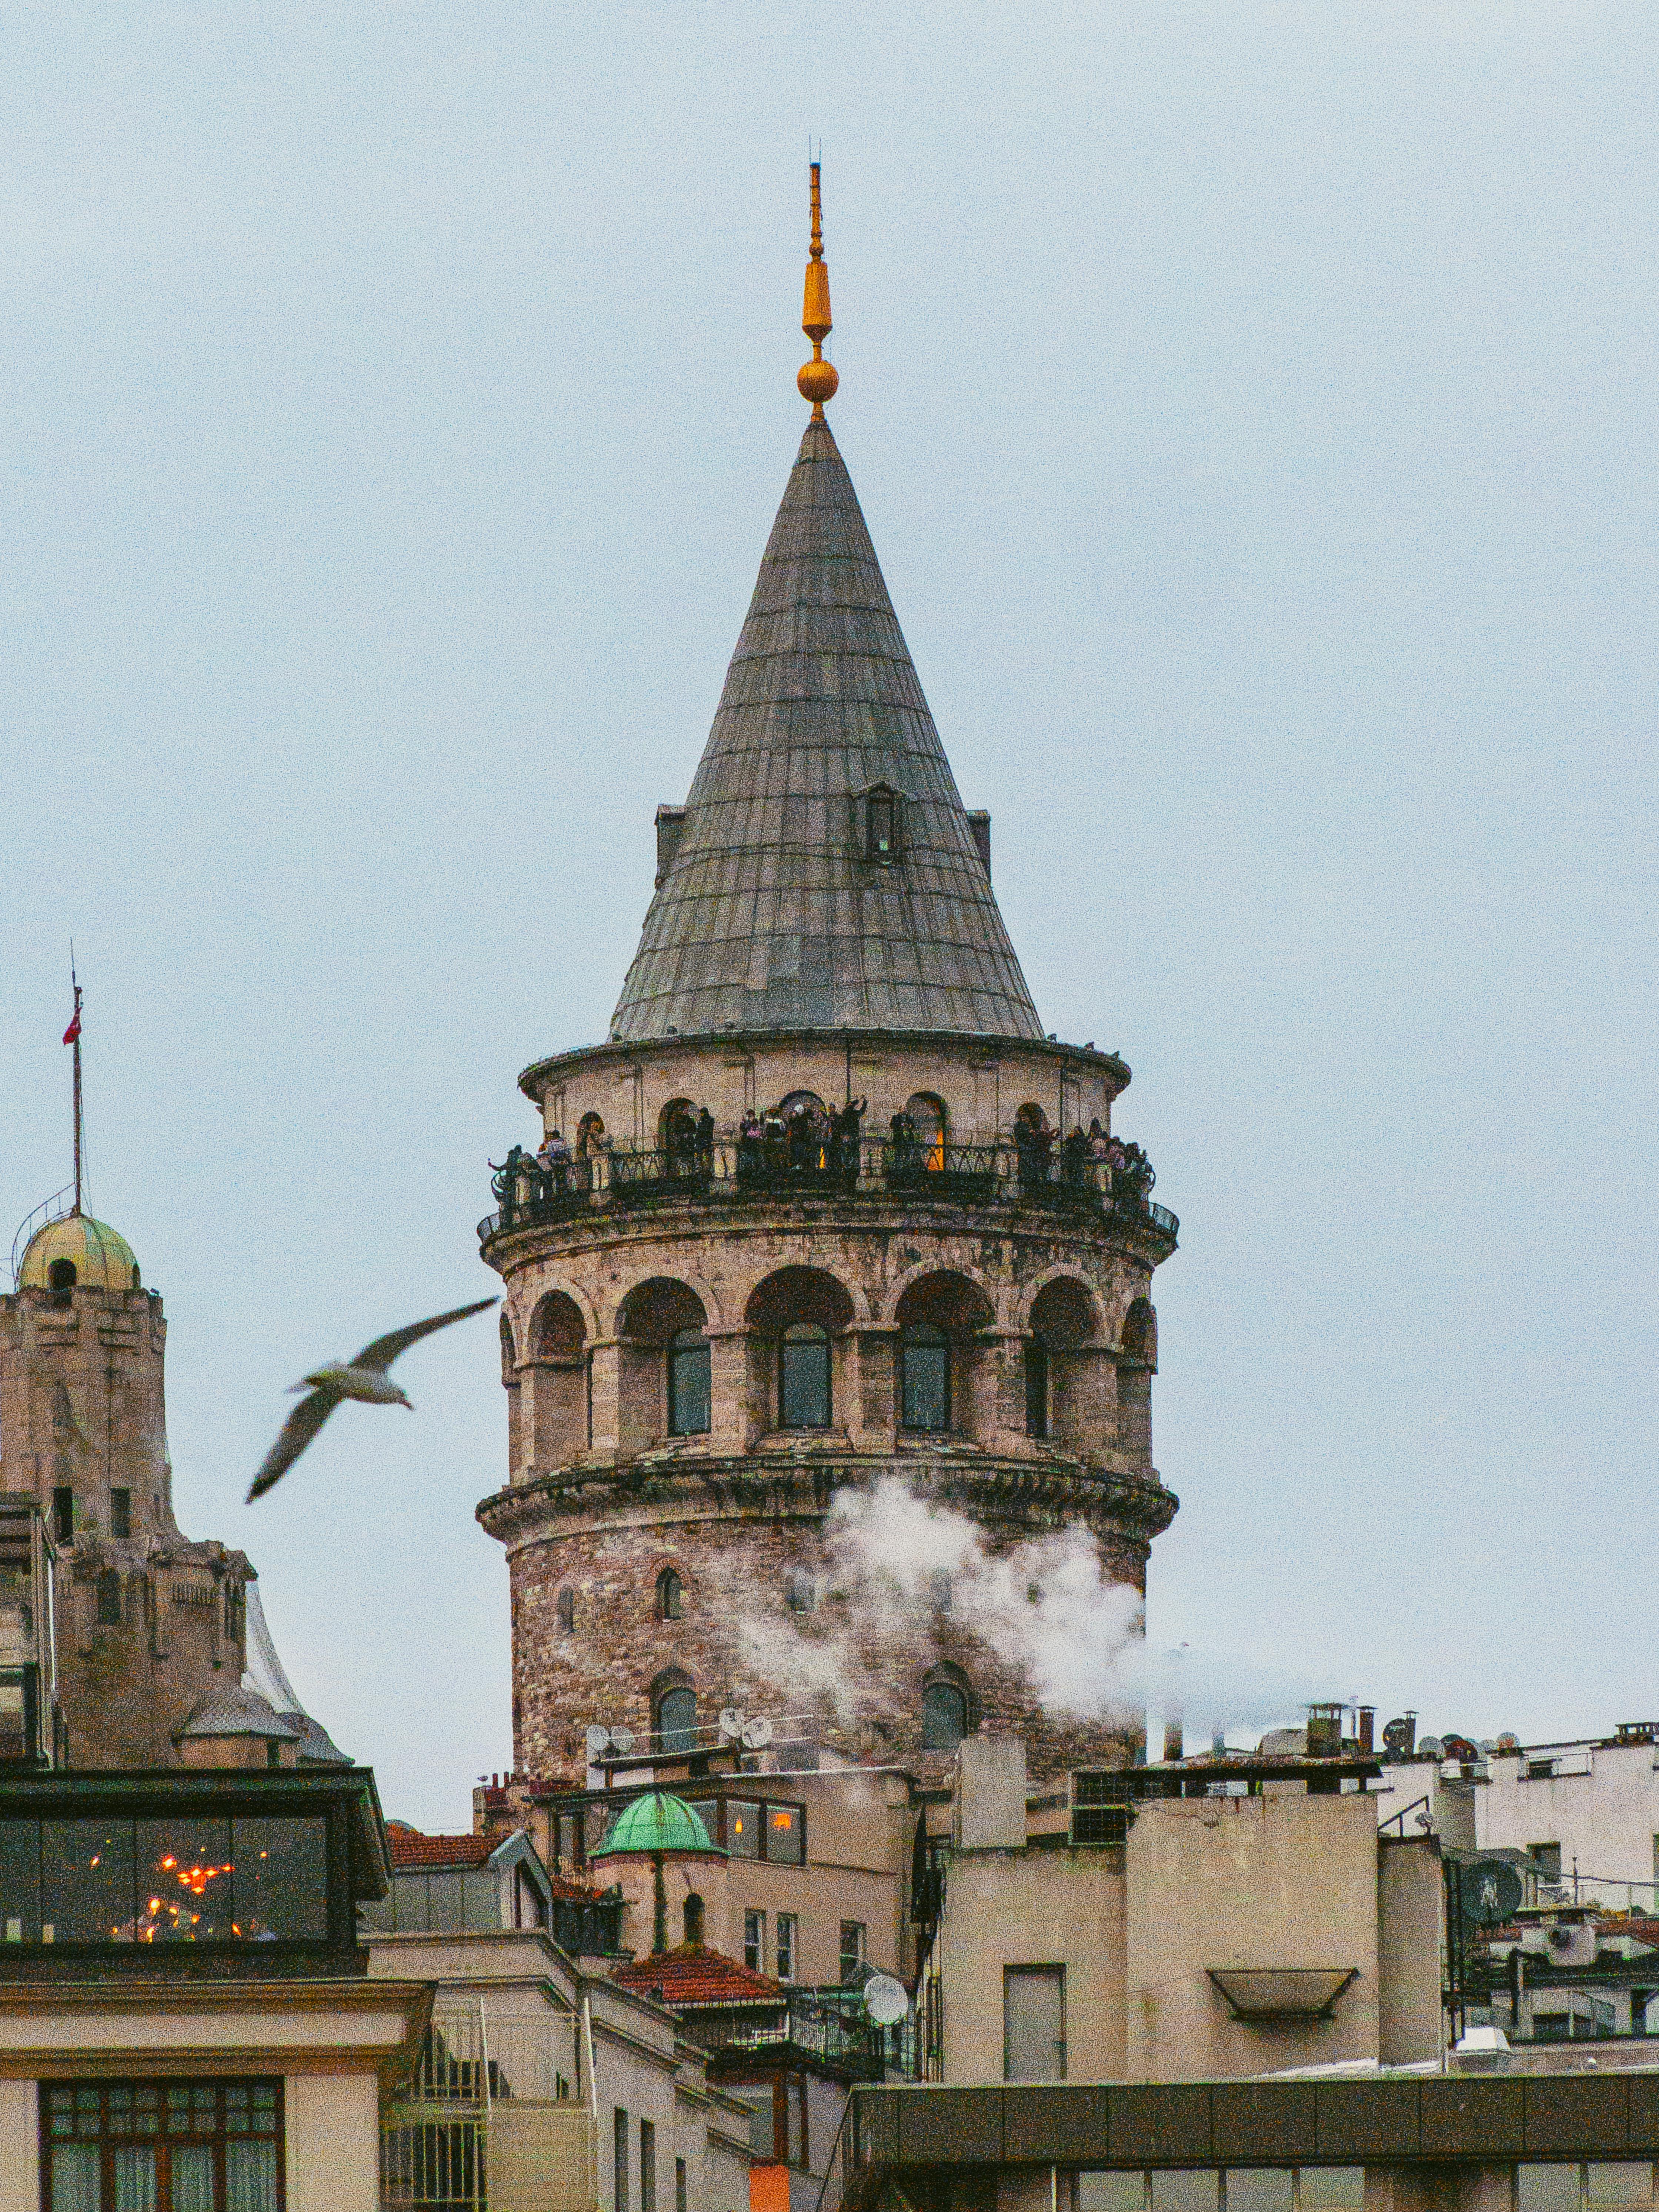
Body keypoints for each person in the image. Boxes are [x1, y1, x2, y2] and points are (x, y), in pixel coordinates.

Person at [695, 1107, 715, 1176]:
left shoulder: (705, 1120)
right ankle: (706, 1170)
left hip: (704, 1141)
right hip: (705, 1141)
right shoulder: (708, 1120)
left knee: (705, 1157)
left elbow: (702, 1131)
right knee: (705, 1157)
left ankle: (706, 1171)